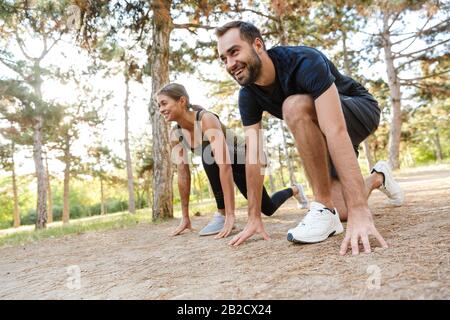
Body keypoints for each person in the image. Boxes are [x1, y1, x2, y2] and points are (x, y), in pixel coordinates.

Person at [215, 21, 404, 255]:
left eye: (234, 52)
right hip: (324, 127)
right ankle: (378, 177)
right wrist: (254, 216)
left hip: (359, 110)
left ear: (258, 44)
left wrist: (361, 211)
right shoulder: (248, 96)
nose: (230, 64)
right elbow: (253, 155)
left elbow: (335, 129)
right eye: (223, 58)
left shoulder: (304, 61)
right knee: (342, 210)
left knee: (294, 105)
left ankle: (323, 207)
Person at [157, 83, 309, 238]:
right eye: (159, 105)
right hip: (226, 161)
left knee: (208, 152)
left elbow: (224, 165)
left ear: (181, 101)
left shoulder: (205, 119)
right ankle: (295, 189)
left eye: (164, 103)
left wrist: (229, 215)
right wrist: (185, 217)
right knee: (268, 208)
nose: (161, 109)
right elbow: (183, 175)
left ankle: (221, 214)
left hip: (251, 157)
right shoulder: (175, 135)